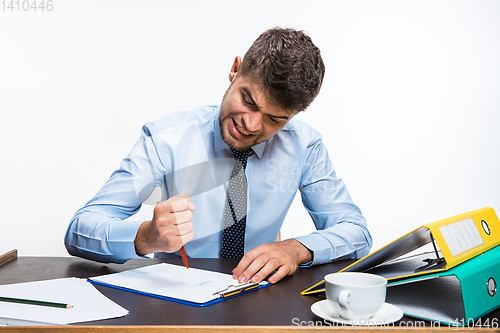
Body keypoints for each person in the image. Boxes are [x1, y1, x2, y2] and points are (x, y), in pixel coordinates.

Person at [65, 27, 372, 284]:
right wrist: (145, 236)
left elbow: (356, 232)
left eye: (274, 119)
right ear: (235, 69)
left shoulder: (305, 148)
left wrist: (296, 249)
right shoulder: (166, 140)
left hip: (260, 299)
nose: (251, 125)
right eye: (248, 100)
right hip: (176, 303)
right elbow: (80, 230)